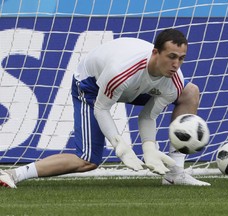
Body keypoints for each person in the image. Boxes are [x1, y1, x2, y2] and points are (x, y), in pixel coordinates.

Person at [0, 29, 210, 188]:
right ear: (156, 53)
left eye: (181, 58)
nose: (176, 64)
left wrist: (149, 148)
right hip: (92, 86)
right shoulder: (122, 71)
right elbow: (102, 109)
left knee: (190, 91)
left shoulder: (173, 80)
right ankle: (13, 174)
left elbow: (147, 116)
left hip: (137, 88)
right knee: (88, 160)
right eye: (171, 56)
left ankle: (175, 173)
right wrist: (120, 146)